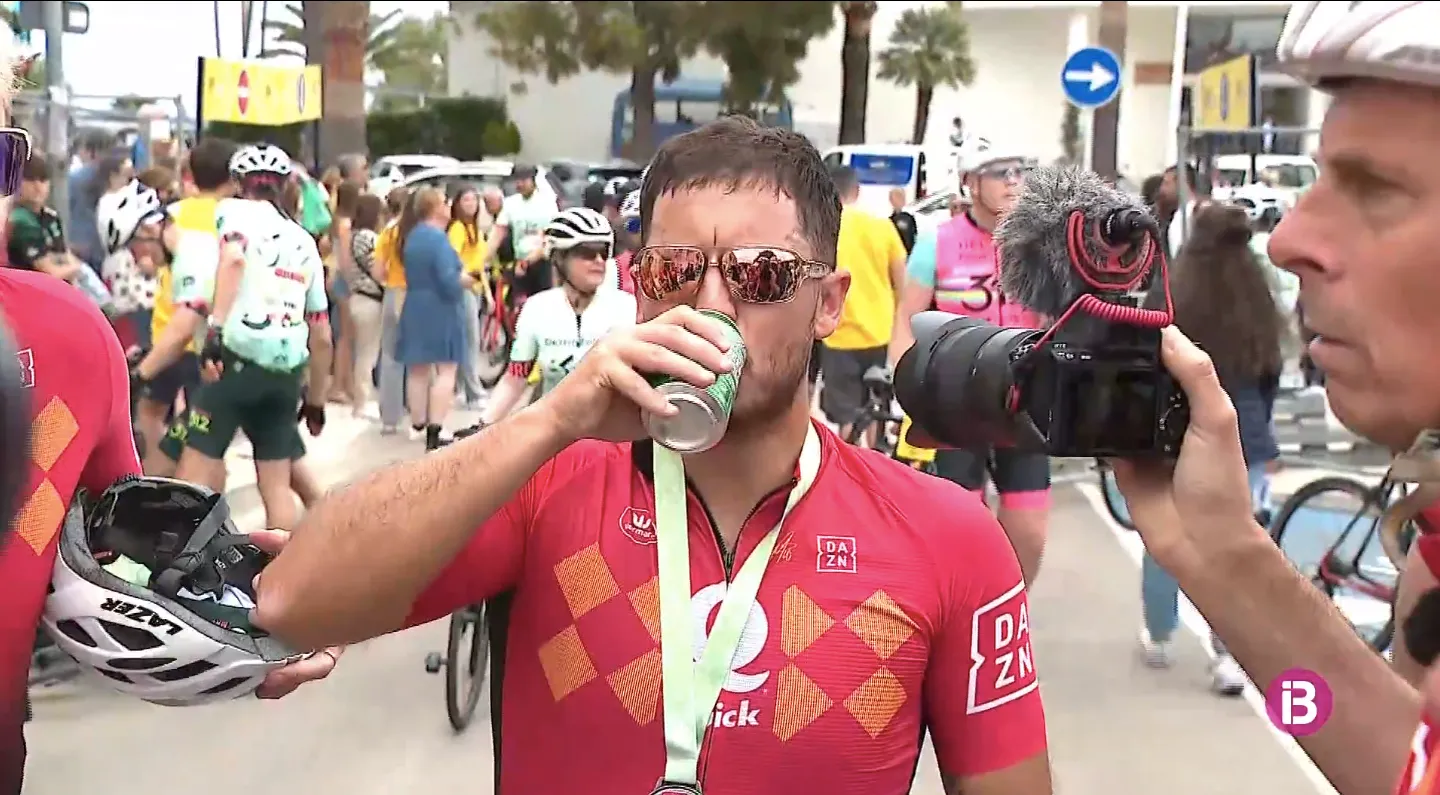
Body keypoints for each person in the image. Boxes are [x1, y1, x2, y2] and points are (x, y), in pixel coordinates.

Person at [255, 115, 1051, 795]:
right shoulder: (548, 483)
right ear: (641, 288)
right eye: (677, 269)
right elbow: (291, 602)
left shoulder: (946, 537)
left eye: (760, 275)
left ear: (829, 303)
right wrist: (552, 419)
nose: (711, 304)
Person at [1105, 4, 1440, 794]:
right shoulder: (1431, 556)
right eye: (1322, 176)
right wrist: (1217, 554)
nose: (1290, 239)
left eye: (1376, 188)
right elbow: (1400, 768)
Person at [1132, 201, 1285, 695]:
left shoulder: (1173, 290)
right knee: (1238, 543)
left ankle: (1159, 632)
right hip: (1245, 434)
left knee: (1167, 532)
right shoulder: (1257, 295)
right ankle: (1230, 655)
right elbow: (1270, 371)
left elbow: (1146, 357)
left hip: (1179, 427)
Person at [888, 135, 1051, 586]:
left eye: (1020, 171)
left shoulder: (1040, 242)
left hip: (1026, 400)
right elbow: (907, 317)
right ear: (970, 183)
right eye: (1001, 173)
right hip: (955, 402)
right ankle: (966, 612)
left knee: (1030, 530)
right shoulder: (936, 241)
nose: (1013, 182)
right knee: (964, 528)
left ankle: (1011, 607)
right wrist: (906, 389)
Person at [170, 144, 332, 532]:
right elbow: (322, 332)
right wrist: (316, 400)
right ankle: (279, 575)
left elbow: (234, 259)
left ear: (239, 182)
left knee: (192, 470)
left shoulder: (233, 212)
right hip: (285, 371)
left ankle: (168, 559)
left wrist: (216, 328)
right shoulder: (303, 239)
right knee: (275, 488)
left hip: (235, 360)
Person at [131, 137, 238, 476]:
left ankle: (147, 481)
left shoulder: (173, 214)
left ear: (191, 173)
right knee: (206, 436)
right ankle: (198, 496)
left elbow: (153, 262)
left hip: (166, 333)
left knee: (150, 412)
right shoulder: (232, 218)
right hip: (208, 339)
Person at [477, 205, 636, 426]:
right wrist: (483, 423)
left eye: (604, 252)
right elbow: (516, 377)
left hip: (612, 437)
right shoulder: (537, 308)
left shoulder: (627, 307)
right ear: (560, 258)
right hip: (554, 433)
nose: (599, 261)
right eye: (588, 253)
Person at [819, 165, 906, 442]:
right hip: (880, 334)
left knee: (848, 415)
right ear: (857, 191)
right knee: (877, 408)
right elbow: (902, 281)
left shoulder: (824, 228)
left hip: (838, 336)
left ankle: (852, 468)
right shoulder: (882, 227)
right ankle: (874, 465)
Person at [395, 187, 468, 450]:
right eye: (445, 202)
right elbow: (448, 279)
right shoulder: (439, 240)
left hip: (415, 303)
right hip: (440, 305)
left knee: (417, 368)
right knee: (446, 369)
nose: (449, 206)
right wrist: (466, 281)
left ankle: (418, 423)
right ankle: (435, 428)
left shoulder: (412, 237)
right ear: (436, 208)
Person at [487, 164, 559, 305]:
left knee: (542, 305)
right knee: (518, 307)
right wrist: (484, 258)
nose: (519, 184)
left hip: (541, 262)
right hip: (519, 261)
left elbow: (550, 237)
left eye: (523, 180)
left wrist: (530, 260)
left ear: (533, 180)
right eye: (517, 180)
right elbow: (498, 232)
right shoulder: (511, 203)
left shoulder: (547, 203)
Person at [448, 186, 488, 408]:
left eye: (474, 199)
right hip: (464, 288)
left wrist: (488, 295)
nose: (471, 204)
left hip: (476, 287)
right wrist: (463, 278)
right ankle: (474, 392)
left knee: (470, 340)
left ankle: (463, 388)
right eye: (466, 200)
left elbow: (481, 264)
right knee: (469, 341)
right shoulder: (457, 228)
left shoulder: (476, 229)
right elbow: (452, 258)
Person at [375, 186, 411, 434]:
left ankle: (389, 417)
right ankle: (418, 410)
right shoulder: (419, 231)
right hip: (418, 293)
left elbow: (378, 270)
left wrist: (389, 281)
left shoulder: (388, 232)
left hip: (394, 291)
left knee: (390, 355)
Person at [346, 193, 386, 412]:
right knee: (367, 354)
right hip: (368, 299)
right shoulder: (367, 237)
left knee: (364, 352)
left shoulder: (355, 235)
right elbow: (378, 270)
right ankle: (362, 402)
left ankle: (362, 399)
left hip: (361, 299)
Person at [888, 186, 918, 256]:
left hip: (908, 255)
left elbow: (914, 236)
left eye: (901, 197)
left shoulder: (909, 218)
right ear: (891, 200)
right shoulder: (889, 221)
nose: (899, 201)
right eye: (896, 197)